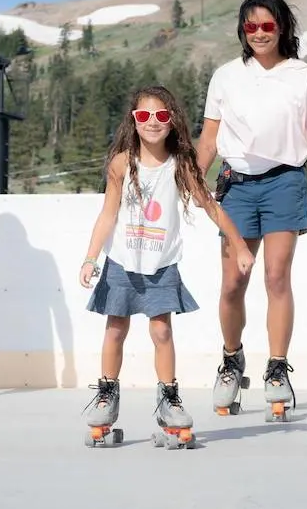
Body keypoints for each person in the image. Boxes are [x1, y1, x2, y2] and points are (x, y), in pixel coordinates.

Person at [196, 0, 307, 420]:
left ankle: (278, 369)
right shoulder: (226, 76)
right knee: (232, 284)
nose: (259, 33)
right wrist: (189, 179)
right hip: (237, 187)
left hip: (285, 182)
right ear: (242, 32)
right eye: (251, 26)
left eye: (267, 25)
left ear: (281, 27)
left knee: (277, 277)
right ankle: (231, 359)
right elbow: (209, 138)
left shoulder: (302, 75)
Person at [79, 85, 255, 444]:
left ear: (172, 120)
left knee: (161, 331)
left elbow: (210, 205)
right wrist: (90, 257)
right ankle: (107, 394)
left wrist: (239, 245)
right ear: (134, 120)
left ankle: (168, 398)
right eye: (144, 116)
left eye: (161, 116)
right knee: (115, 330)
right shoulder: (120, 164)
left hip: (161, 263)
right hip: (122, 262)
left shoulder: (181, 165)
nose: (152, 123)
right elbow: (107, 214)